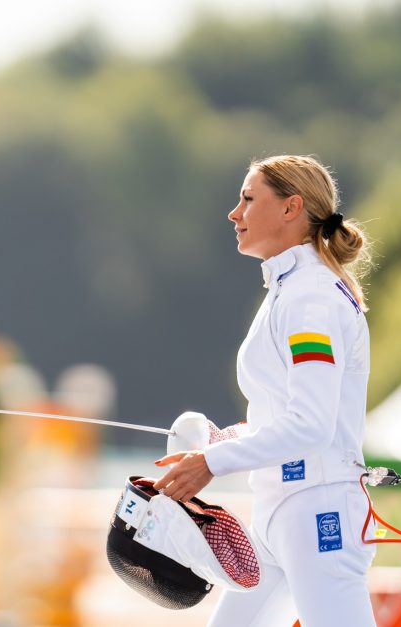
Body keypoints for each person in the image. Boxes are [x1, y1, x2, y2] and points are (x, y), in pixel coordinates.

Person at [153, 155, 377, 626]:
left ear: (291, 207)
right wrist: (227, 440)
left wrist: (210, 464)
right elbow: (282, 417)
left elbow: (312, 426)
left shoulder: (311, 297)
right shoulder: (288, 289)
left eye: (248, 199)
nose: (234, 213)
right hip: (279, 512)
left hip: (318, 511)